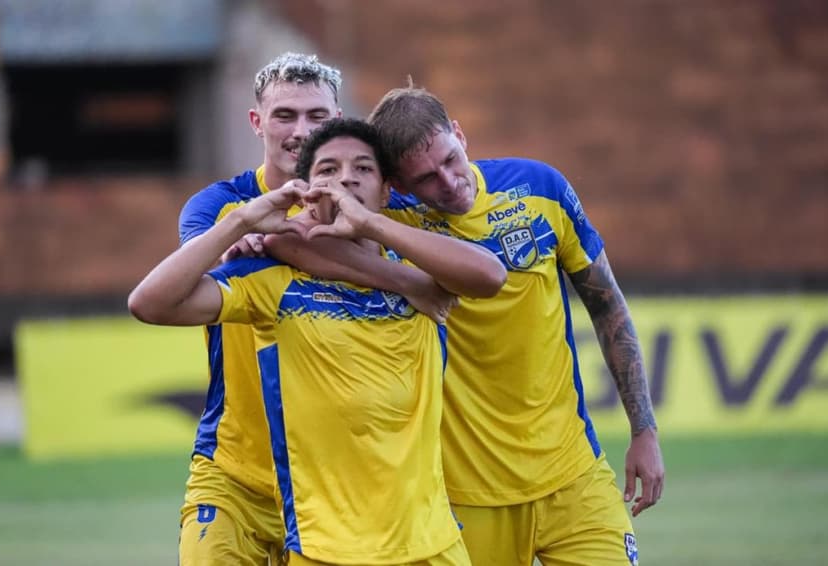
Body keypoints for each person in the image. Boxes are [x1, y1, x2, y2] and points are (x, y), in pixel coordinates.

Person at [129, 117, 506, 564]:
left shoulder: (420, 267)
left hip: (432, 545)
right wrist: (245, 221)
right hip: (326, 548)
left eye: (363, 169)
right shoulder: (271, 280)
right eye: (328, 170)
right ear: (305, 190)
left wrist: (369, 224)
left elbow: (489, 276)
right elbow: (150, 303)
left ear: (387, 191)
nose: (345, 178)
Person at [176, 54, 455, 566]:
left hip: (332, 487)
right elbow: (250, 254)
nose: (300, 131)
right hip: (238, 472)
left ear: (339, 120)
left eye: (317, 117)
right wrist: (411, 280)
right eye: (285, 115)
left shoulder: (374, 199)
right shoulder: (221, 207)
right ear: (257, 121)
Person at [368, 87, 666, 566]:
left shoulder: (540, 189)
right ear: (399, 186)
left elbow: (607, 304)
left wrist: (644, 431)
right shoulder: (395, 222)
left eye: (450, 157)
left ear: (461, 134)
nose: (448, 182)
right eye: (426, 179)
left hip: (573, 475)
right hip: (467, 496)